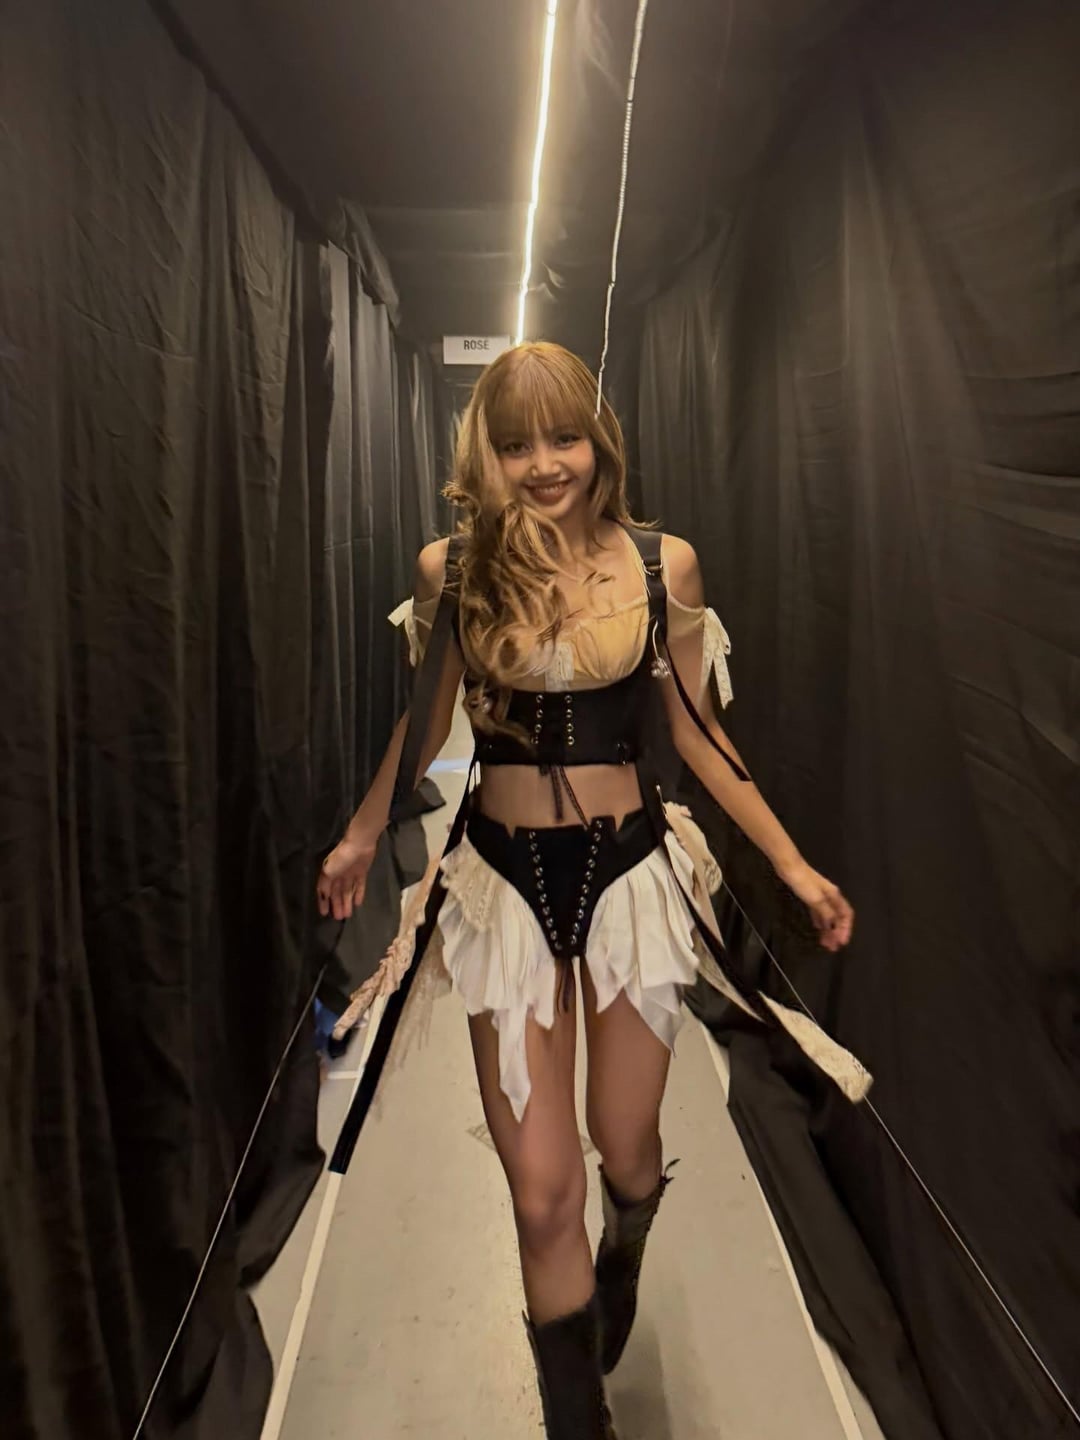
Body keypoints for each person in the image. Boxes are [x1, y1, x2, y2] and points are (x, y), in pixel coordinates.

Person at [316, 342, 866, 1439]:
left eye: (562, 437)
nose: (543, 464)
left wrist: (792, 863)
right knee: (539, 1192)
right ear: (486, 454)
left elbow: (699, 738)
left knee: (626, 1145)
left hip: (627, 883)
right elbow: (427, 719)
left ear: (597, 442)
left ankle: (630, 1243)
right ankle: (579, 1421)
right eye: (516, 444)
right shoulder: (453, 571)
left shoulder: (663, 566)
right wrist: (364, 833)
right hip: (500, 885)